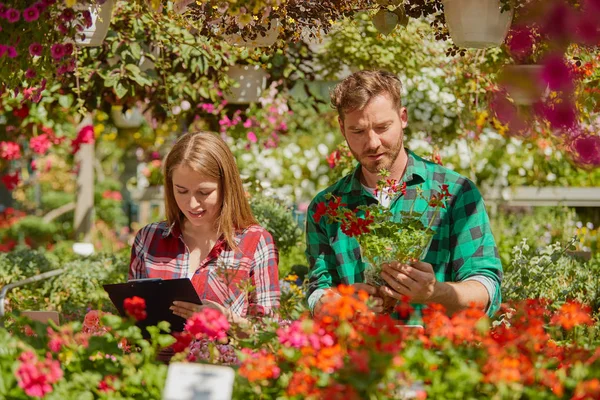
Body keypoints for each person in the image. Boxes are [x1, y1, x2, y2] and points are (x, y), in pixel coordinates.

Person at [305, 70, 503, 320]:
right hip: (359, 353)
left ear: (403, 117)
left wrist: (436, 292)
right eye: (357, 131)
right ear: (342, 128)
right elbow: (317, 290)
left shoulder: (455, 193)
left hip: (436, 352)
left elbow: (486, 289)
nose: (372, 142)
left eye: (382, 127)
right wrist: (338, 303)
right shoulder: (328, 207)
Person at [129, 131, 280, 328]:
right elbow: (132, 319)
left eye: (204, 192)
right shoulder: (148, 239)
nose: (192, 203)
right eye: (181, 191)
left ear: (227, 187)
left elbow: (269, 333)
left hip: (220, 358)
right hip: (156, 358)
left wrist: (228, 320)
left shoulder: (255, 242)